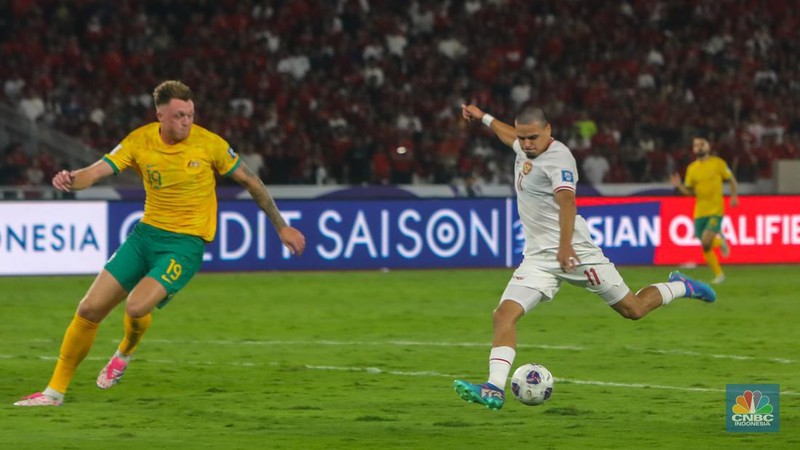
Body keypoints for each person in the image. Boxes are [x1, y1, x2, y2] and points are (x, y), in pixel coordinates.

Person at [14, 80, 306, 406]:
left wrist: (281, 227)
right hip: (145, 236)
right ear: (160, 116)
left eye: (190, 114)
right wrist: (70, 179)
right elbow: (97, 172)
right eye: (179, 115)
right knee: (88, 309)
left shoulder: (210, 145)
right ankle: (53, 393)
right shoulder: (140, 140)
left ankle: (125, 350)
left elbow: (252, 181)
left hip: (184, 245)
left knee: (136, 306)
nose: (187, 121)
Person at [453, 104, 717, 411]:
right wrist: (483, 116)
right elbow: (507, 134)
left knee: (633, 309)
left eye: (532, 138)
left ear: (548, 131)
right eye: (523, 138)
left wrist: (566, 246)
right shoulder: (525, 146)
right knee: (503, 314)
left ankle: (683, 286)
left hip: (577, 255)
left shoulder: (559, 159)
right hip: (538, 259)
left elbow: (568, 203)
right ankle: (494, 388)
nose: (526, 144)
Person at [670, 137, 738, 284]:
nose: (699, 147)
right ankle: (719, 273)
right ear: (693, 149)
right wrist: (679, 186)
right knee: (706, 245)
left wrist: (734, 196)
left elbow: (731, 179)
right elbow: (690, 192)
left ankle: (719, 246)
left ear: (708, 146)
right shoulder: (692, 168)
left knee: (707, 240)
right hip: (699, 212)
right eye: (696, 145)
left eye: (702, 144)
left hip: (716, 210)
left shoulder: (718, 163)